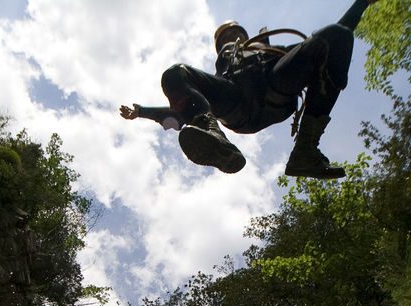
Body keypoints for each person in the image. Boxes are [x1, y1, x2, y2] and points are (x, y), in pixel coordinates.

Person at [120, 0, 379, 179]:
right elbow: (182, 110)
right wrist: (142, 111)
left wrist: (362, 3)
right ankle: (213, 135)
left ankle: (306, 151)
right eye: (223, 37)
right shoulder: (221, 77)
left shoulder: (270, 53)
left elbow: (328, 38)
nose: (229, 37)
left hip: (274, 88)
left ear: (244, 34)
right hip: (236, 104)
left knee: (336, 35)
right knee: (175, 74)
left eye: (234, 33)